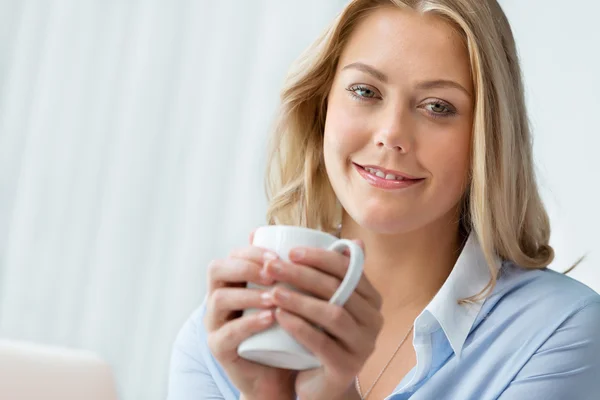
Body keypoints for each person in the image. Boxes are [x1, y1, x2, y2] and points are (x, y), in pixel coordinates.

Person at [167, 0, 600, 399]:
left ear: (486, 140)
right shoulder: (220, 341)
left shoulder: (559, 333)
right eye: (365, 92)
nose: (391, 134)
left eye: (437, 106)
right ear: (321, 108)